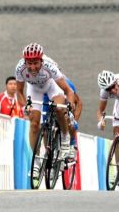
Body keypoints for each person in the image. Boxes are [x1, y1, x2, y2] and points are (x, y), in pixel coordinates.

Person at [15, 43, 75, 172]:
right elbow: (19, 92)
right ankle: (36, 161)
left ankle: (65, 138)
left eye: (36, 63)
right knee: (34, 124)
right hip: (34, 90)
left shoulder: (50, 66)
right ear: (25, 61)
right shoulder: (20, 68)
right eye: (29, 63)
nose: (32, 67)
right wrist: (26, 105)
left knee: (59, 109)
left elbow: (68, 90)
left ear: (41, 60)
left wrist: (68, 104)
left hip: (51, 86)